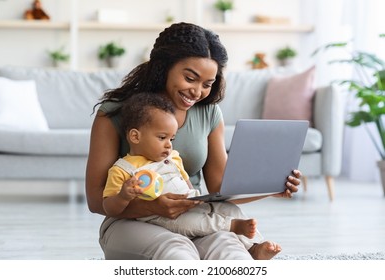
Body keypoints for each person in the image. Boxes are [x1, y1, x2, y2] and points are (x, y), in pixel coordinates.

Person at [85, 22, 301, 260]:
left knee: (230, 251)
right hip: (131, 222)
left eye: (207, 84)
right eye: (190, 78)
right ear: (163, 67)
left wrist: (271, 187)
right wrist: (152, 206)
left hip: (194, 218)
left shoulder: (208, 113)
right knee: (177, 252)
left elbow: (221, 188)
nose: (197, 92)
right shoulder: (115, 113)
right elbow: (96, 201)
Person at [102, 92, 261, 246]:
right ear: (136, 137)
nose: (169, 144)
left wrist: (198, 200)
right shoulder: (122, 169)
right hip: (162, 217)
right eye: (162, 137)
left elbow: (187, 184)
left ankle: (255, 245)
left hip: (189, 203)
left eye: (172, 138)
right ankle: (231, 227)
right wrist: (123, 196)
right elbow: (109, 208)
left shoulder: (173, 157)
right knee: (195, 223)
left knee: (229, 208)